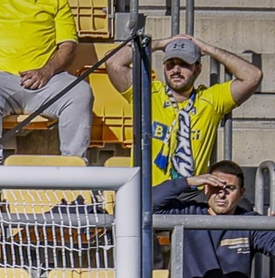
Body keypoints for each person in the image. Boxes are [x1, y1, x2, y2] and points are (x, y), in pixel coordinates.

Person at [106, 35, 263, 186]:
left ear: (197, 69)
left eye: (184, 64)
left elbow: (253, 76)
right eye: (170, 64)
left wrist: (209, 49)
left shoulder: (210, 100)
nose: (176, 70)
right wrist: (160, 44)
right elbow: (113, 62)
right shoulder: (147, 93)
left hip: (189, 196)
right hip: (148, 193)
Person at [0, 0, 91, 165]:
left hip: (43, 80)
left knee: (79, 92)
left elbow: (68, 46)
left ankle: (73, 171)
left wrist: (47, 71)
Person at [152, 161, 275, 278]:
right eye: (215, 187)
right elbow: (147, 204)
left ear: (241, 193)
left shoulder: (250, 222)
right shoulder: (188, 213)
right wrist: (188, 182)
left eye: (230, 188)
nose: (221, 194)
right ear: (206, 188)